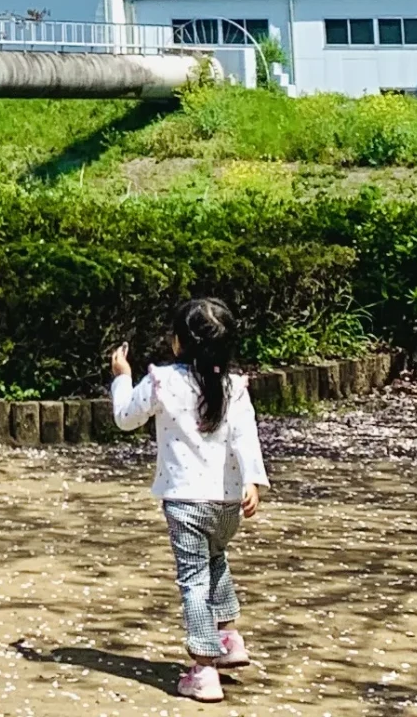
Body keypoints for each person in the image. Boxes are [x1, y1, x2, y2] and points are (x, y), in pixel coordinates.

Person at [110, 297, 268, 704]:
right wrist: (253, 481)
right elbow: (246, 437)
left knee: (193, 580)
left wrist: (121, 376)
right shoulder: (235, 387)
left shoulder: (163, 381)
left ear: (180, 342)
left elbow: (125, 417)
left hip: (185, 501)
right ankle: (228, 637)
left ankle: (203, 667)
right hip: (228, 502)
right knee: (216, 561)